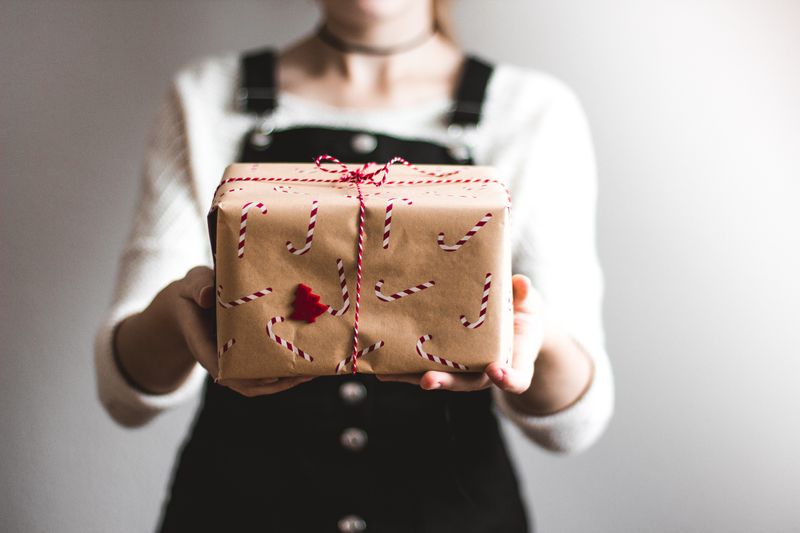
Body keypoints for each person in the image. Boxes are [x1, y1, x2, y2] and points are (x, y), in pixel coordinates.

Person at [94, 1, 614, 531]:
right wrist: (179, 311)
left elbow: (574, 427)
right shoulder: (206, 95)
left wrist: (535, 337)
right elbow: (124, 397)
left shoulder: (532, 109)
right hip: (240, 509)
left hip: (451, 513)